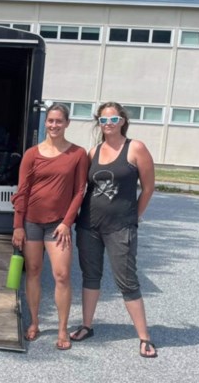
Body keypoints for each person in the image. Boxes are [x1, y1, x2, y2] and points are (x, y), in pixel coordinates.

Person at [70, 101, 158, 358]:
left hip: (121, 227)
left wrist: (134, 216)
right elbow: (83, 188)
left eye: (113, 120)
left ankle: (144, 337)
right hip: (89, 225)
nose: (108, 125)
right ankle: (87, 325)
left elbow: (149, 187)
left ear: (122, 121)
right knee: (90, 276)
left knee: (127, 282)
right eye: (104, 120)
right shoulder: (93, 151)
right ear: (99, 123)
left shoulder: (136, 148)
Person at [10, 104, 89, 350]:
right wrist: (18, 226)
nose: (54, 125)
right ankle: (34, 323)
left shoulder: (78, 154)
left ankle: (63, 329)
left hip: (58, 226)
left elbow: (79, 191)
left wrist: (67, 222)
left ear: (67, 123)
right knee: (33, 271)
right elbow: (22, 191)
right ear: (45, 123)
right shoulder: (32, 154)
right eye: (50, 121)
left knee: (62, 275)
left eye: (59, 121)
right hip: (31, 222)